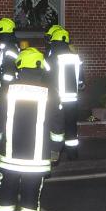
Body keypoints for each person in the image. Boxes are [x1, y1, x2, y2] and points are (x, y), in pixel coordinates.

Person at [0, 47, 65, 211]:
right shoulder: (51, 92)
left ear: (20, 66)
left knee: (6, 191)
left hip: (10, 156)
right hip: (37, 159)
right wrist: (56, 150)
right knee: (31, 193)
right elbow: (58, 126)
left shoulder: (7, 90)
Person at [45, 27, 82, 156]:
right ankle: (72, 153)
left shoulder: (52, 58)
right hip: (73, 99)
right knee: (71, 126)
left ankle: (56, 152)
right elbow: (81, 80)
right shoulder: (76, 57)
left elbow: (46, 77)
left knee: (56, 126)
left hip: (58, 98)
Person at [0, 18, 20, 98]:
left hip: (7, 90)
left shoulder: (10, 48)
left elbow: (9, 73)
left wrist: (2, 91)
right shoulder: (6, 47)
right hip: (4, 87)